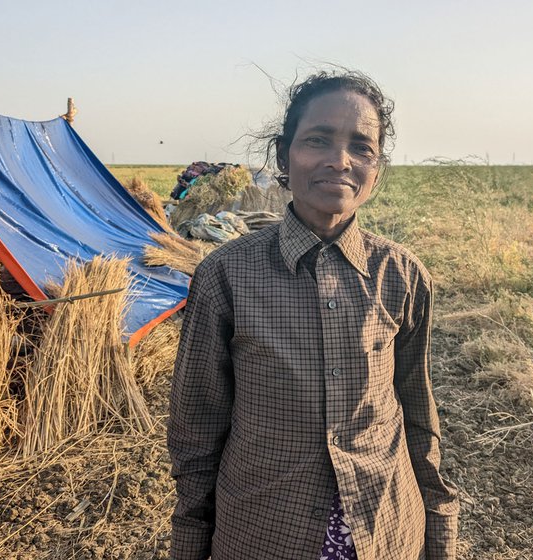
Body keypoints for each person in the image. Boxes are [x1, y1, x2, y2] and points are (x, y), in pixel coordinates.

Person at [168, 70, 459, 560]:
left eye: (361, 147)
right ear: (283, 156)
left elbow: (418, 418)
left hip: (385, 528)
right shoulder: (227, 275)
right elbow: (196, 427)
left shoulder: (402, 276)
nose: (339, 161)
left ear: (378, 167)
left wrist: (439, 536)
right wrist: (191, 540)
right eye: (318, 140)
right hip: (262, 531)